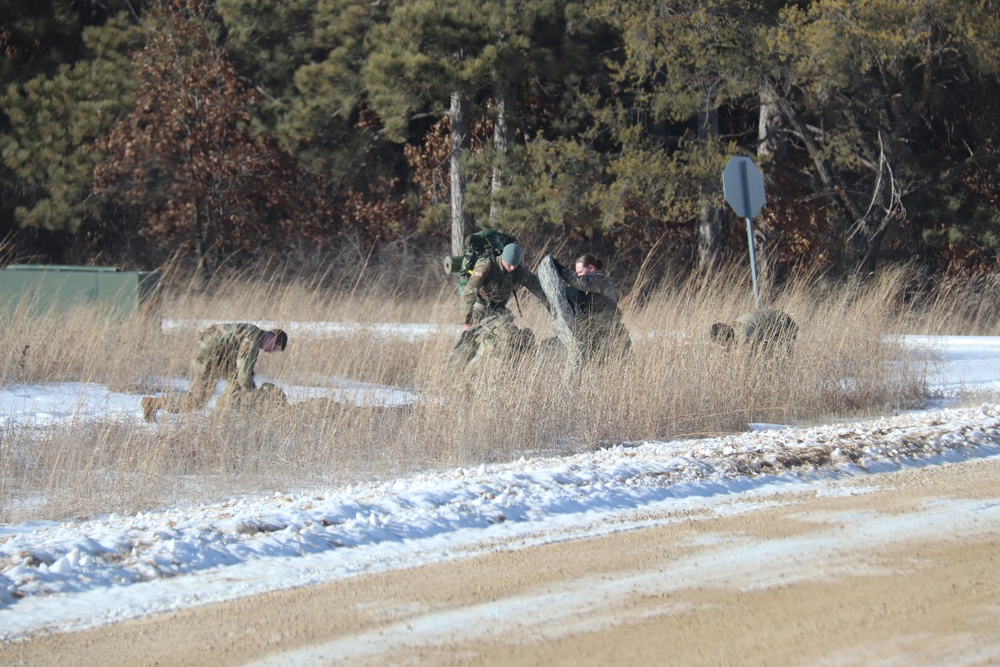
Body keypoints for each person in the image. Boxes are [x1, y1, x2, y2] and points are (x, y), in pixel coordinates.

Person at [141, 323, 288, 422]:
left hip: (214, 354)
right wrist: (250, 391)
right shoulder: (254, 338)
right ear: (273, 338)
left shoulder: (253, 334)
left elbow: (241, 371)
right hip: (208, 356)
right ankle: (154, 403)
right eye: (275, 348)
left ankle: (221, 417)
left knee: (235, 387)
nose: (271, 352)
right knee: (198, 399)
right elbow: (243, 367)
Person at [449, 242, 548, 368]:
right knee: (472, 342)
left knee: (505, 340)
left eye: (515, 265)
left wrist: (551, 305)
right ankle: (456, 370)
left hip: (500, 310)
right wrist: (466, 323)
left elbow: (536, 287)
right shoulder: (485, 266)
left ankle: (491, 372)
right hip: (481, 307)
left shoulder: (518, 270)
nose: (512, 268)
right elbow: (469, 293)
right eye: (509, 264)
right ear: (502, 258)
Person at [554, 253, 632, 364]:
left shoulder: (599, 280)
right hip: (611, 332)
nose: (578, 275)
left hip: (609, 333)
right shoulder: (605, 282)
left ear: (591, 268)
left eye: (580, 272)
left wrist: (561, 270)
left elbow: (581, 283)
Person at [710, 308, 798, 356]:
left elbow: (759, 353)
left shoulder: (744, 336)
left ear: (726, 338)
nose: (724, 347)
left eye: (722, 344)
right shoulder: (735, 325)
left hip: (784, 324)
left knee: (785, 356)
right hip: (777, 321)